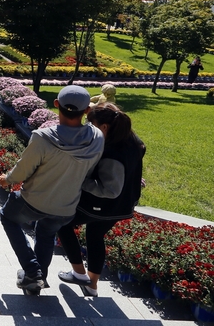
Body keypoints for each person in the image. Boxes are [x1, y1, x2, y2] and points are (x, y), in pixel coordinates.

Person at [0, 85, 104, 292]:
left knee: (7, 217)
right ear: (87, 111)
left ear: (56, 105)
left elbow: (22, 171)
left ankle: (32, 269)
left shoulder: (43, 137)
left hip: (34, 201)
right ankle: (36, 281)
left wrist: (7, 179)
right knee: (45, 234)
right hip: (66, 207)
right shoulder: (97, 137)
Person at [57, 104, 145, 297]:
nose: (88, 127)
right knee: (95, 235)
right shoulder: (130, 138)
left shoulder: (112, 153)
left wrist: (81, 181)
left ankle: (79, 274)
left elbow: (110, 190)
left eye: (91, 124)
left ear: (104, 127)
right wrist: (94, 110)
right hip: (123, 204)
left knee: (61, 223)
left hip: (105, 204)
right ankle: (91, 286)